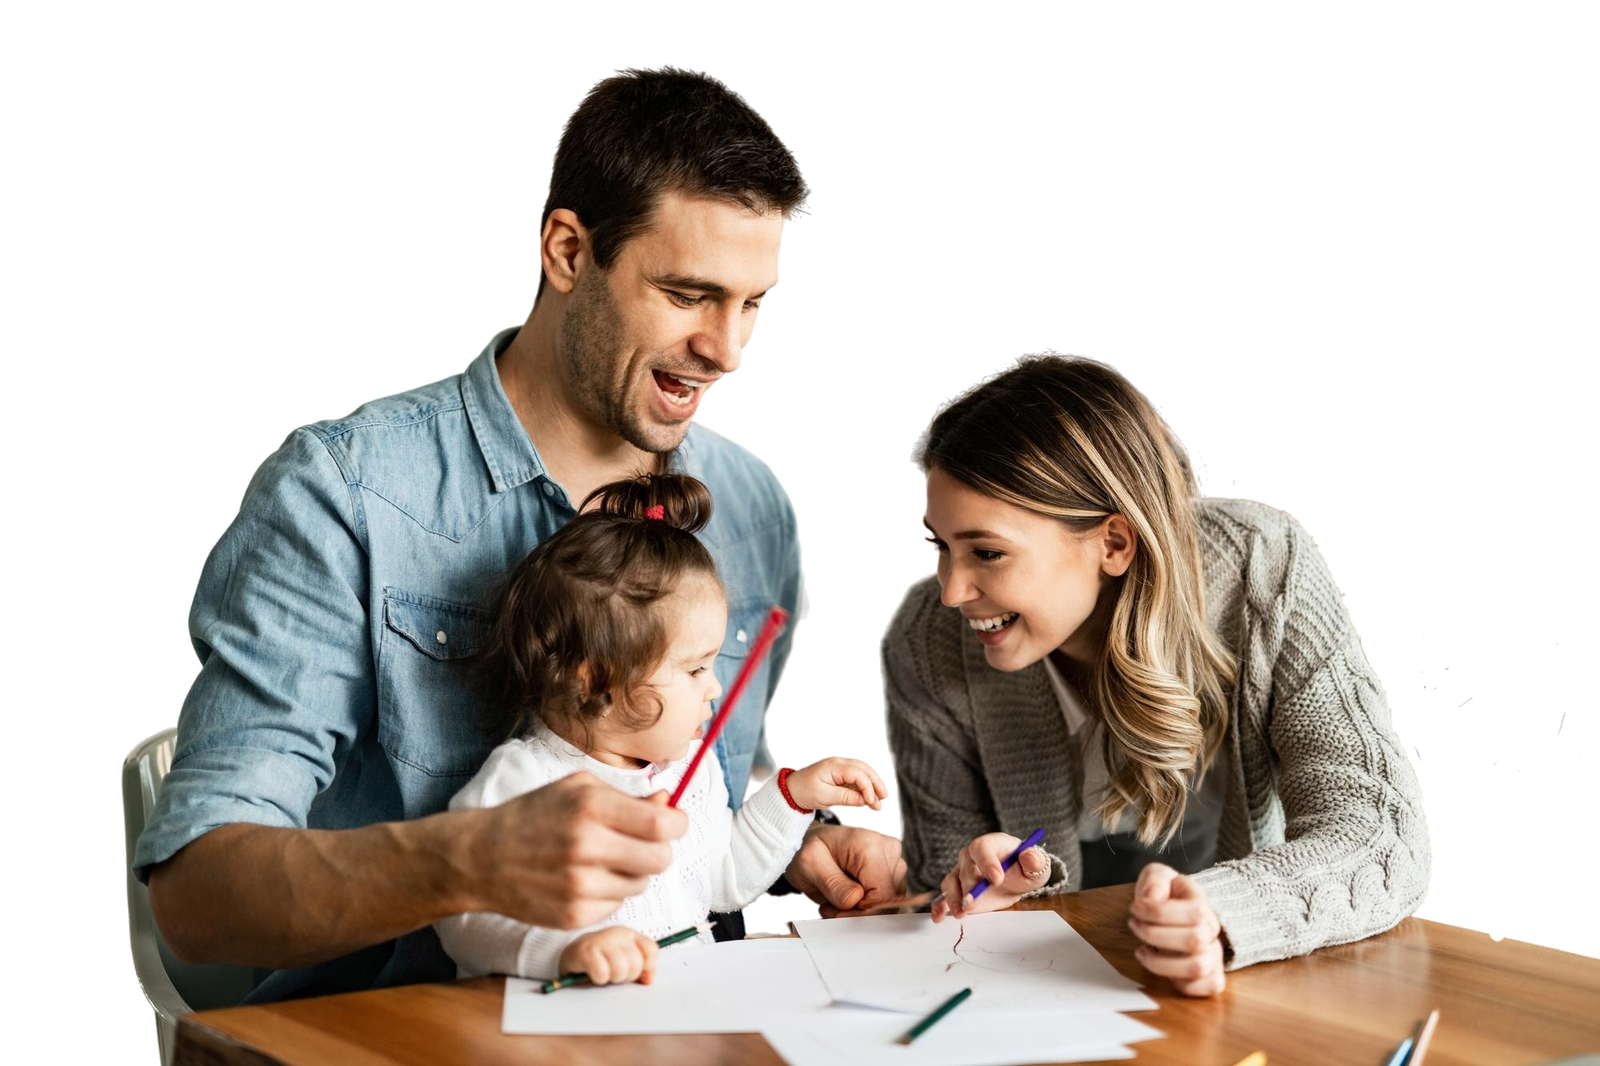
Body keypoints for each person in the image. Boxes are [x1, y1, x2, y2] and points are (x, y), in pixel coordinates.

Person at [135, 65, 904, 1005]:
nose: (729, 350)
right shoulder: (341, 492)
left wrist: (800, 843)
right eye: (687, 293)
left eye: (752, 305)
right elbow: (198, 897)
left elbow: (708, 758)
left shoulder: (750, 503)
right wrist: (465, 860)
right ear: (568, 251)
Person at [881, 351, 1433, 997]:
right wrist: (983, 882)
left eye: (988, 552)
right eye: (940, 547)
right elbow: (942, 878)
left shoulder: (1262, 567)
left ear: (1113, 543)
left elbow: (1379, 835)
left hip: (1251, 976)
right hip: (1059, 994)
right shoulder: (927, 636)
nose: (952, 591)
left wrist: (1225, 914)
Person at [435, 473, 888, 983]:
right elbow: (464, 918)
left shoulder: (690, 772)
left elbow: (726, 884)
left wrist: (793, 797)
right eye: (695, 669)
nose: (714, 688)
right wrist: (566, 950)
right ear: (597, 680)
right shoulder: (521, 781)